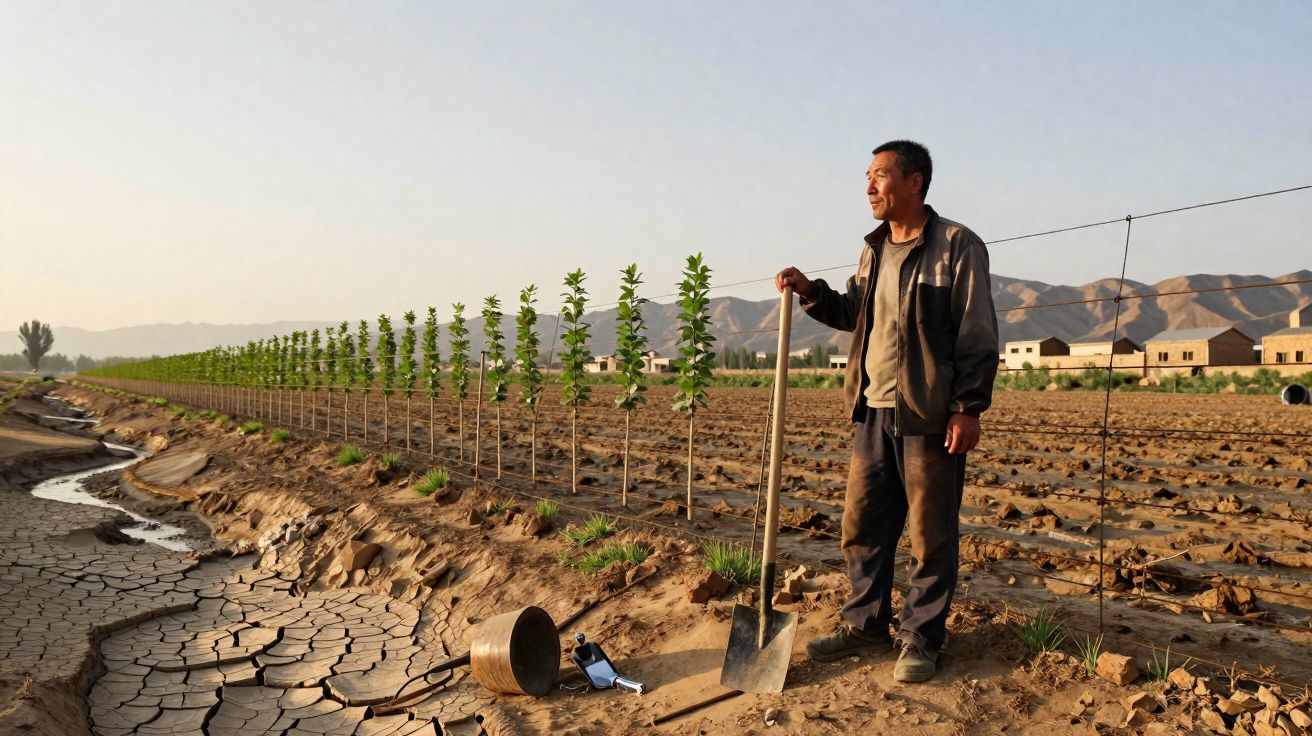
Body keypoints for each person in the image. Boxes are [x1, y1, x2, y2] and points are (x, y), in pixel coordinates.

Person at [775, 140, 998, 683]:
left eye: (879, 175)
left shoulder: (956, 246)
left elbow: (976, 333)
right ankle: (866, 626)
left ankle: (921, 638)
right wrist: (812, 293)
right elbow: (856, 310)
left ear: (915, 181)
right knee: (862, 526)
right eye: (868, 176)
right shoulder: (873, 249)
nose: (869, 186)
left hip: (927, 415)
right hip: (872, 409)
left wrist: (967, 409)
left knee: (929, 533)